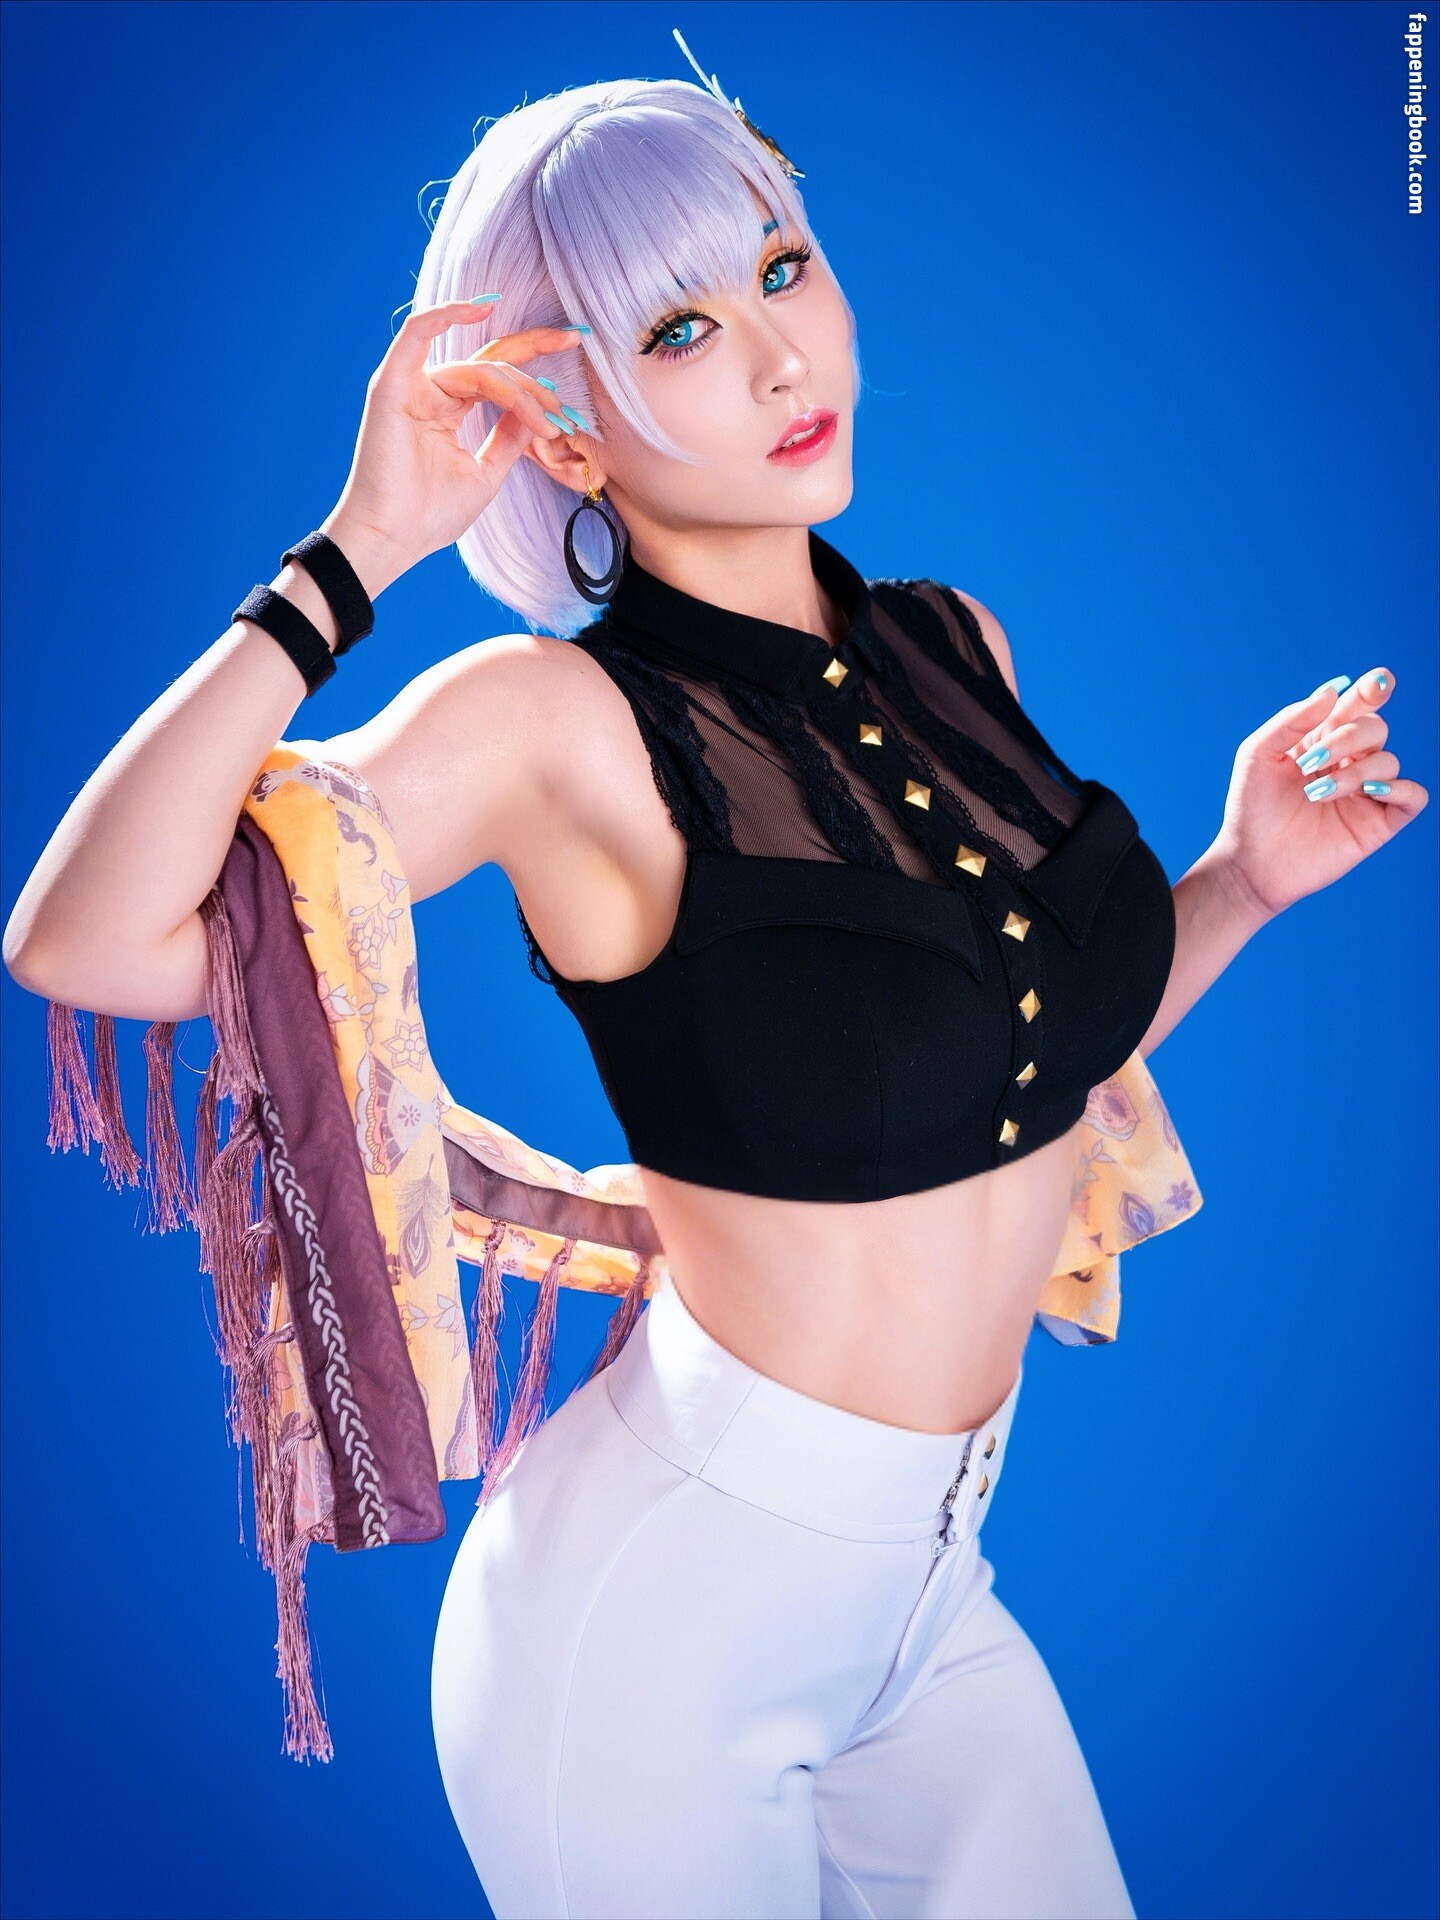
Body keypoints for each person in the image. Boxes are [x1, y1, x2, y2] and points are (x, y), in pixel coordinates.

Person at [2, 62, 1425, 1920]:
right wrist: (356, 552)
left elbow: (1003, 1070)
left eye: (782, 267)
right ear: (569, 433)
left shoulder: (950, 644)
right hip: (651, 1631)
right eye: (678, 330)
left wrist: (1240, 881)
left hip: (929, 1596)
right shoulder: (551, 724)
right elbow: (85, 940)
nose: (778, 356)